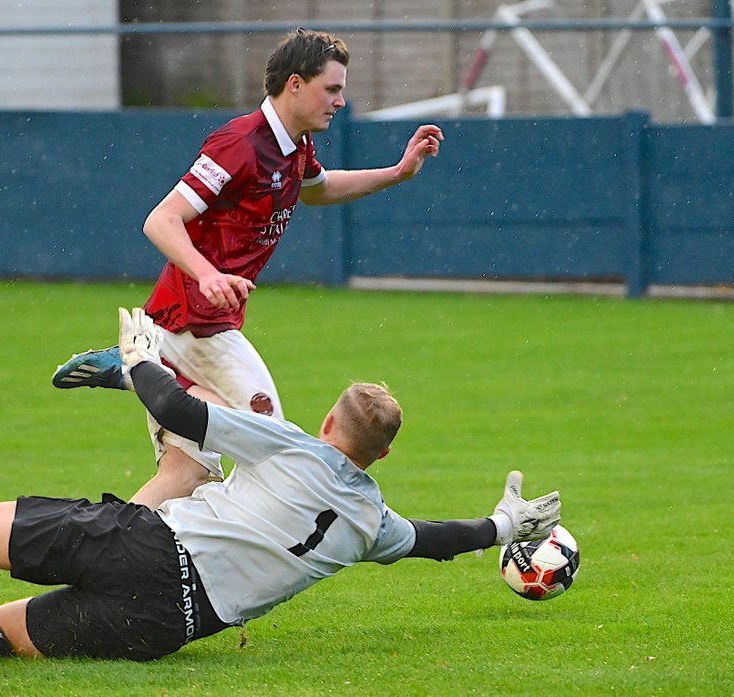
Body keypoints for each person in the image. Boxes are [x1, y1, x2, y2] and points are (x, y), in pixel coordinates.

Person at [0, 308, 561, 664]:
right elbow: (434, 540)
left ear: (332, 426)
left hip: (145, 541)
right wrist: (502, 522)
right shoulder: (373, 522)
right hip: (173, 623)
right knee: (19, 633)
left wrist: (135, 360)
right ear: (378, 455)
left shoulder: (292, 447)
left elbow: (177, 409)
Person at [51, 28, 445, 508]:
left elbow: (317, 189)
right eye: (333, 89)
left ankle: (104, 548)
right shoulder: (238, 144)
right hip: (193, 320)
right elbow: (161, 219)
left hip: (187, 321)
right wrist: (208, 274)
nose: (340, 101)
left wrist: (398, 172)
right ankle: (144, 371)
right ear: (295, 85)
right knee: (272, 441)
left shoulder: (294, 145)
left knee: (187, 476)